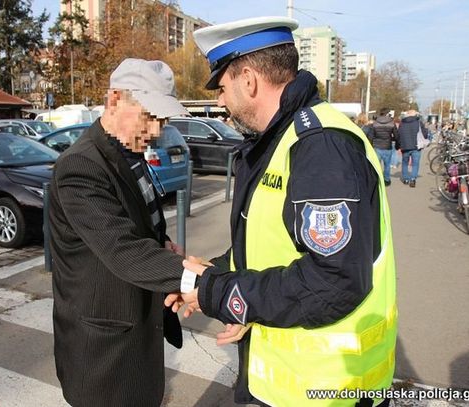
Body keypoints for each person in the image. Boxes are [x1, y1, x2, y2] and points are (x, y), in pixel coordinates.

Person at [167, 16, 397, 407]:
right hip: (285, 381)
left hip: (326, 391)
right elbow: (271, 244)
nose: (220, 101)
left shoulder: (320, 145)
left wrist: (218, 293)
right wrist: (213, 273)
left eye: (222, 88)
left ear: (249, 79)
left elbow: (332, 282)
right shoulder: (283, 139)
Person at [49, 58, 192, 407]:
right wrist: (198, 279)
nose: (157, 130)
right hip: (105, 355)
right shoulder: (81, 166)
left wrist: (163, 245)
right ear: (114, 99)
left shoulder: (129, 152)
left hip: (138, 334)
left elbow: (140, 222)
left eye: (164, 119)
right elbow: (122, 249)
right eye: (149, 116)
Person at [398, 109, 428, 187]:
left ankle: (405, 179)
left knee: (405, 163)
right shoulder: (418, 123)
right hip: (416, 146)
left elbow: (399, 134)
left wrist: (399, 145)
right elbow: (424, 134)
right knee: (415, 164)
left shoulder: (402, 123)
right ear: (415, 115)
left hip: (405, 146)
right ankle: (413, 179)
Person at [371, 108, 399, 186]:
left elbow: (371, 135)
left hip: (377, 146)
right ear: (387, 113)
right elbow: (396, 136)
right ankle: (386, 180)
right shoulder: (391, 123)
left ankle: (376, 180)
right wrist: (397, 145)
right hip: (387, 146)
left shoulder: (375, 123)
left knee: (376, 165)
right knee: (387, 165)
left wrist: (370, 145)